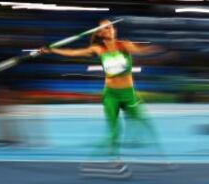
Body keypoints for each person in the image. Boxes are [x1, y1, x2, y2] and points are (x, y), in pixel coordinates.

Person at [39, 19, 161, 155]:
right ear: (101, 33)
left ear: (115, 30)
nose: (109, 29)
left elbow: (139, 51)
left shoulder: (124, 45)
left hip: (128, 94)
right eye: (105, 28)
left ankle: (161, 157)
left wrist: (152, 49)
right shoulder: (99, 49)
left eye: (110, 27)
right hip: (110, 95)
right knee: (114, 132)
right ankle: (115, 162)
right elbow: (74, 52)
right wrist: (52, 50)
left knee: (144, 122)